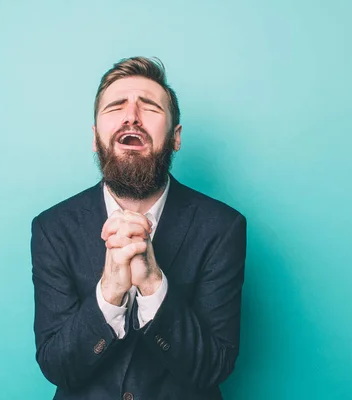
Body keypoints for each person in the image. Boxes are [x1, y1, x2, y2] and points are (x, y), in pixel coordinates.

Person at [30, 56, 247, 400]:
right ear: (95, 136)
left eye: (149, 107)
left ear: (176, 137)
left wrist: (152, 284)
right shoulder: (52, 228)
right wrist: (110, 294)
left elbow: (213, 367)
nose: (131, 116)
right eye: (116, 106)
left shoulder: (222, 227)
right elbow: (57, 366)